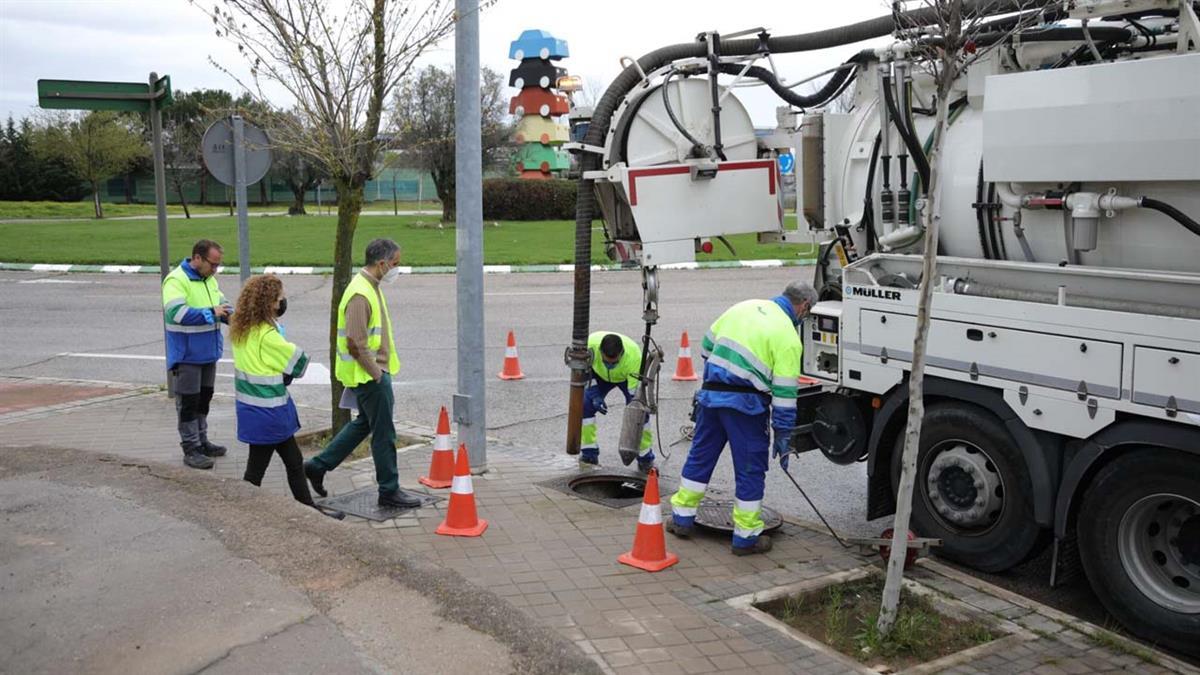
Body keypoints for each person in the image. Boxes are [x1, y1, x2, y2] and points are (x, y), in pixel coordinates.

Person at [667, 280, 818, 556]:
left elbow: (706, 347)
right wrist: (783, 435)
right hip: (747, 408)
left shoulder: (744, 307)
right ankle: (745, 538)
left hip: (711, 399)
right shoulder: (787, 336)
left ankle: (681, 520)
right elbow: (784, 395)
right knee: (750, 468)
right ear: (804, 306)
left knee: (700, 457)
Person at [304, 239, 422, 509]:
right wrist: (377, 375)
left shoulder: (369, 286)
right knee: (384, 434)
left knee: (364, 424)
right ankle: (389, 490)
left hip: (369, 373)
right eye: (395, 264)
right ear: (381, 264)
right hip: (369, 376)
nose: (397, 269)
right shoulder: (360, 293)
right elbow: (355, 342)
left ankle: (317, 466)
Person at [230, 274, 343, 519]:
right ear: (269, 302)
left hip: (254, 410)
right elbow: (299, 362)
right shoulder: (267, 337)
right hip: (269, 413)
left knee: (293, 461)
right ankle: (242, 515)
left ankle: (309, 511)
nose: (283, 302)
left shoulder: (243, 329)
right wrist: (279, 337)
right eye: (280, 298)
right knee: (255, 472)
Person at [163, 239, 232, 470]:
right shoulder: (176, 280)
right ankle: (191, 448)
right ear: (197, 258)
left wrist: (231, 315)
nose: (215, 270)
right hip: (187, 355)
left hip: (208, 353)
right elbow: (177, 313)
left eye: (218, 265)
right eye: (212, 264)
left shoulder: (209, 280)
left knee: (204, 400)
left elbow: (223, 304)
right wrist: (211, 312)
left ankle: (202, 441)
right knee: (189, 404)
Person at [581, 331, 655, 472]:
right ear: (600, 352)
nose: (610, 365)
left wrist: (634, 409)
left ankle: (645, 458)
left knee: (640, 414)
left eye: (614, 362)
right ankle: (589, 453)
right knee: (585, 405)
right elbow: (584, 373)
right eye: (606, 362)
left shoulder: (634, 358)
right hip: (598, 375)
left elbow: (635, 396)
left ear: (621, 354)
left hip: (626, 378)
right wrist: (595, 395)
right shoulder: (589, 347)